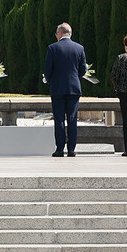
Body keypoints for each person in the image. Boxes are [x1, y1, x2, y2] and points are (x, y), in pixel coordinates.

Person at [43, 22, 87, 158]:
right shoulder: (79, 48)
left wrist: (51, 80)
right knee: (72, 119)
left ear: (60, 33)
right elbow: (83, 70)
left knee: (59, 119)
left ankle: (60, 149)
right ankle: (72, 149)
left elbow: (47, 70)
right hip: (74, 88)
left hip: (57, 88)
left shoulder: (52, 48)